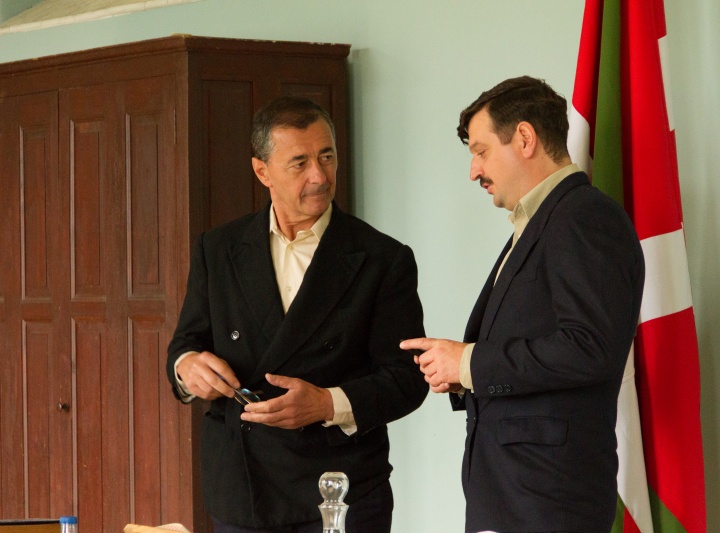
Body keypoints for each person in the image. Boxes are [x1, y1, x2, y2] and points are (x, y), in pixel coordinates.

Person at [167, 96, 428, 533]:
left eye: (327, 156)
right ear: (262, 171)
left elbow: (406, 379)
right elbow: (186, 344)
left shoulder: (382, 258)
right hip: (241, 491)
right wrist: (186, 368)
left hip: (341, 491)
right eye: (300, 163)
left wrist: (327, 404)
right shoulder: (218, 249)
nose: (319, 176)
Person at [401, 76, 645, 533]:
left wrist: (469, 362)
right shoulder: (542, 222)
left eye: (481, 151)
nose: (473, 170)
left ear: (525, 138)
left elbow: (589, 347)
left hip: (548, 503)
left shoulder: (584, 217)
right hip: (512, 498)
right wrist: (461, 371)